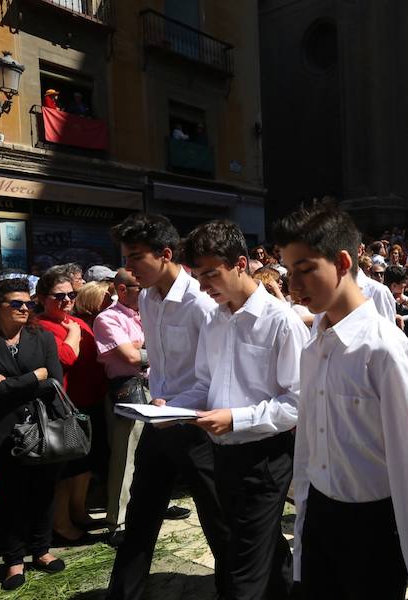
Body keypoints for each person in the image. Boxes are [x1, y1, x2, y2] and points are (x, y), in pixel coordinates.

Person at [274, 206, 408, 600]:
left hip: (371, 530)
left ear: (341, 262)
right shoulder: (314, 346)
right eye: (288, 272)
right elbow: (308, 450)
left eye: (304, 270)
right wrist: (303, 532)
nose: (293, 287)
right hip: (319, 516)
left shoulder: (385, 351)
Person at [174, 220, 308, 599]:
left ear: (240, 263)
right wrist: (172, 408)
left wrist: (237, 418)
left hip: (265, 456)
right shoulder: (214, 319)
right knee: (258, 545)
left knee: (242, 566)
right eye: (198, 277)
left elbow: (299, 401)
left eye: (211, 274)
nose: (204, 286)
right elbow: (204, 383)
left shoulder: (281, 321)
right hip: (221, 453)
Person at [107, 214, 230, 600]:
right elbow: (158, 362)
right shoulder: (146, 297)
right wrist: (158, 400)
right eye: (125, 259)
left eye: (135, 257)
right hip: (156, 419)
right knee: (141, 513)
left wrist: (176, 403)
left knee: (218, 519)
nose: (128, 269)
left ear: (165, 254)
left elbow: (214, 371)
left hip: (194, 424)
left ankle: (239, 589)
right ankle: (123, 592)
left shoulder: (201, 302)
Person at [0, 279, 66, 591]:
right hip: (1, 433)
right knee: (9, 500)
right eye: (16, 303)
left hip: (42, 429)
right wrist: (30, 378)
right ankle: (13, 560)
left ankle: (41, 550)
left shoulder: (42, 338)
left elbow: (54, 382)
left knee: (43, 494)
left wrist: (7, 382)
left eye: (28, 303)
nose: (25, 308)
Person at [35, 268, 107, 544]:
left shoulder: (77, 321)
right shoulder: (40, 326)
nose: (67, 300)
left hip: (91, 402)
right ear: (42, 298)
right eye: (59, 296)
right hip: (64, 407)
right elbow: (65, 357)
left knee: (86, 464)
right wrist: (73, 334)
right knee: (66, 470)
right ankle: (61, 523)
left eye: (71, 295)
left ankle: (79, 511)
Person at [92, 269, 148, 546]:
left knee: (154, 453)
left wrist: (144, 349)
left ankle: (153, 506)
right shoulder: (108, 318)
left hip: (156, 388)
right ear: (122, 290)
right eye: (139, 286)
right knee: (125, 456)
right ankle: (119, 521)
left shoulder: (147, 312)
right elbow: (130, 356)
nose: (146, 290)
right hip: (129, 389)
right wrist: (153, 351)